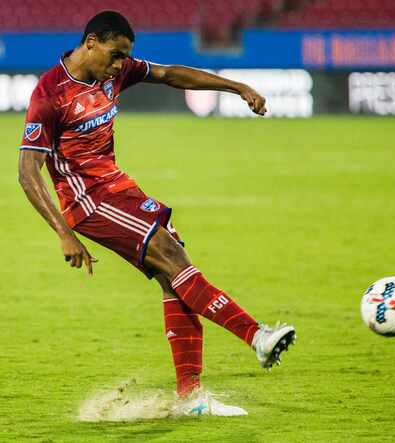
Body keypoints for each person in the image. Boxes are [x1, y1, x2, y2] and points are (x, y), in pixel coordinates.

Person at [18, 10, 296, 416]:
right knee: (174, 257)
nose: (119, 66)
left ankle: (192, 398)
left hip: (119, 189)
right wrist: (63, 233)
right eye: (115, 55)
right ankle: (257, 337)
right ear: (91, 42)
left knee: (174, 277)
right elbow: (27, 173)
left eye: (124, 58)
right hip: (89, 201)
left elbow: (168, 74)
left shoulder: (114, 71)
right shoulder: (50, 92)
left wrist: (236, 86)